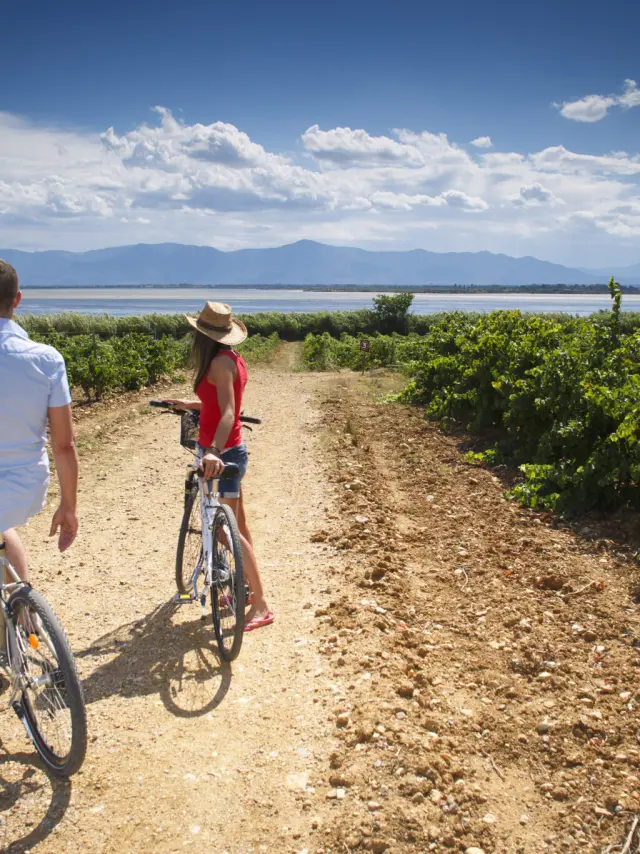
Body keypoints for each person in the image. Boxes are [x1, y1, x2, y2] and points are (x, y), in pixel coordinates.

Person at [165, 301, 274, 632]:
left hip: (221, 455)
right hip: (230, 450)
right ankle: (246, 587)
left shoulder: (218, 365)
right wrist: (190, 404)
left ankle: (261, 604)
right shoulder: (231, 360)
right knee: (238, 525)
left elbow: (229, 412)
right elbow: (220, 404)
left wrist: (213, 451)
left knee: (227, 532)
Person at [0, 259, 78, 583]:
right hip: (27, 487)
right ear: (17, 299)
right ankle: (23, 613)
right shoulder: (47, 359)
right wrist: (69, 507)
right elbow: (64, 444)